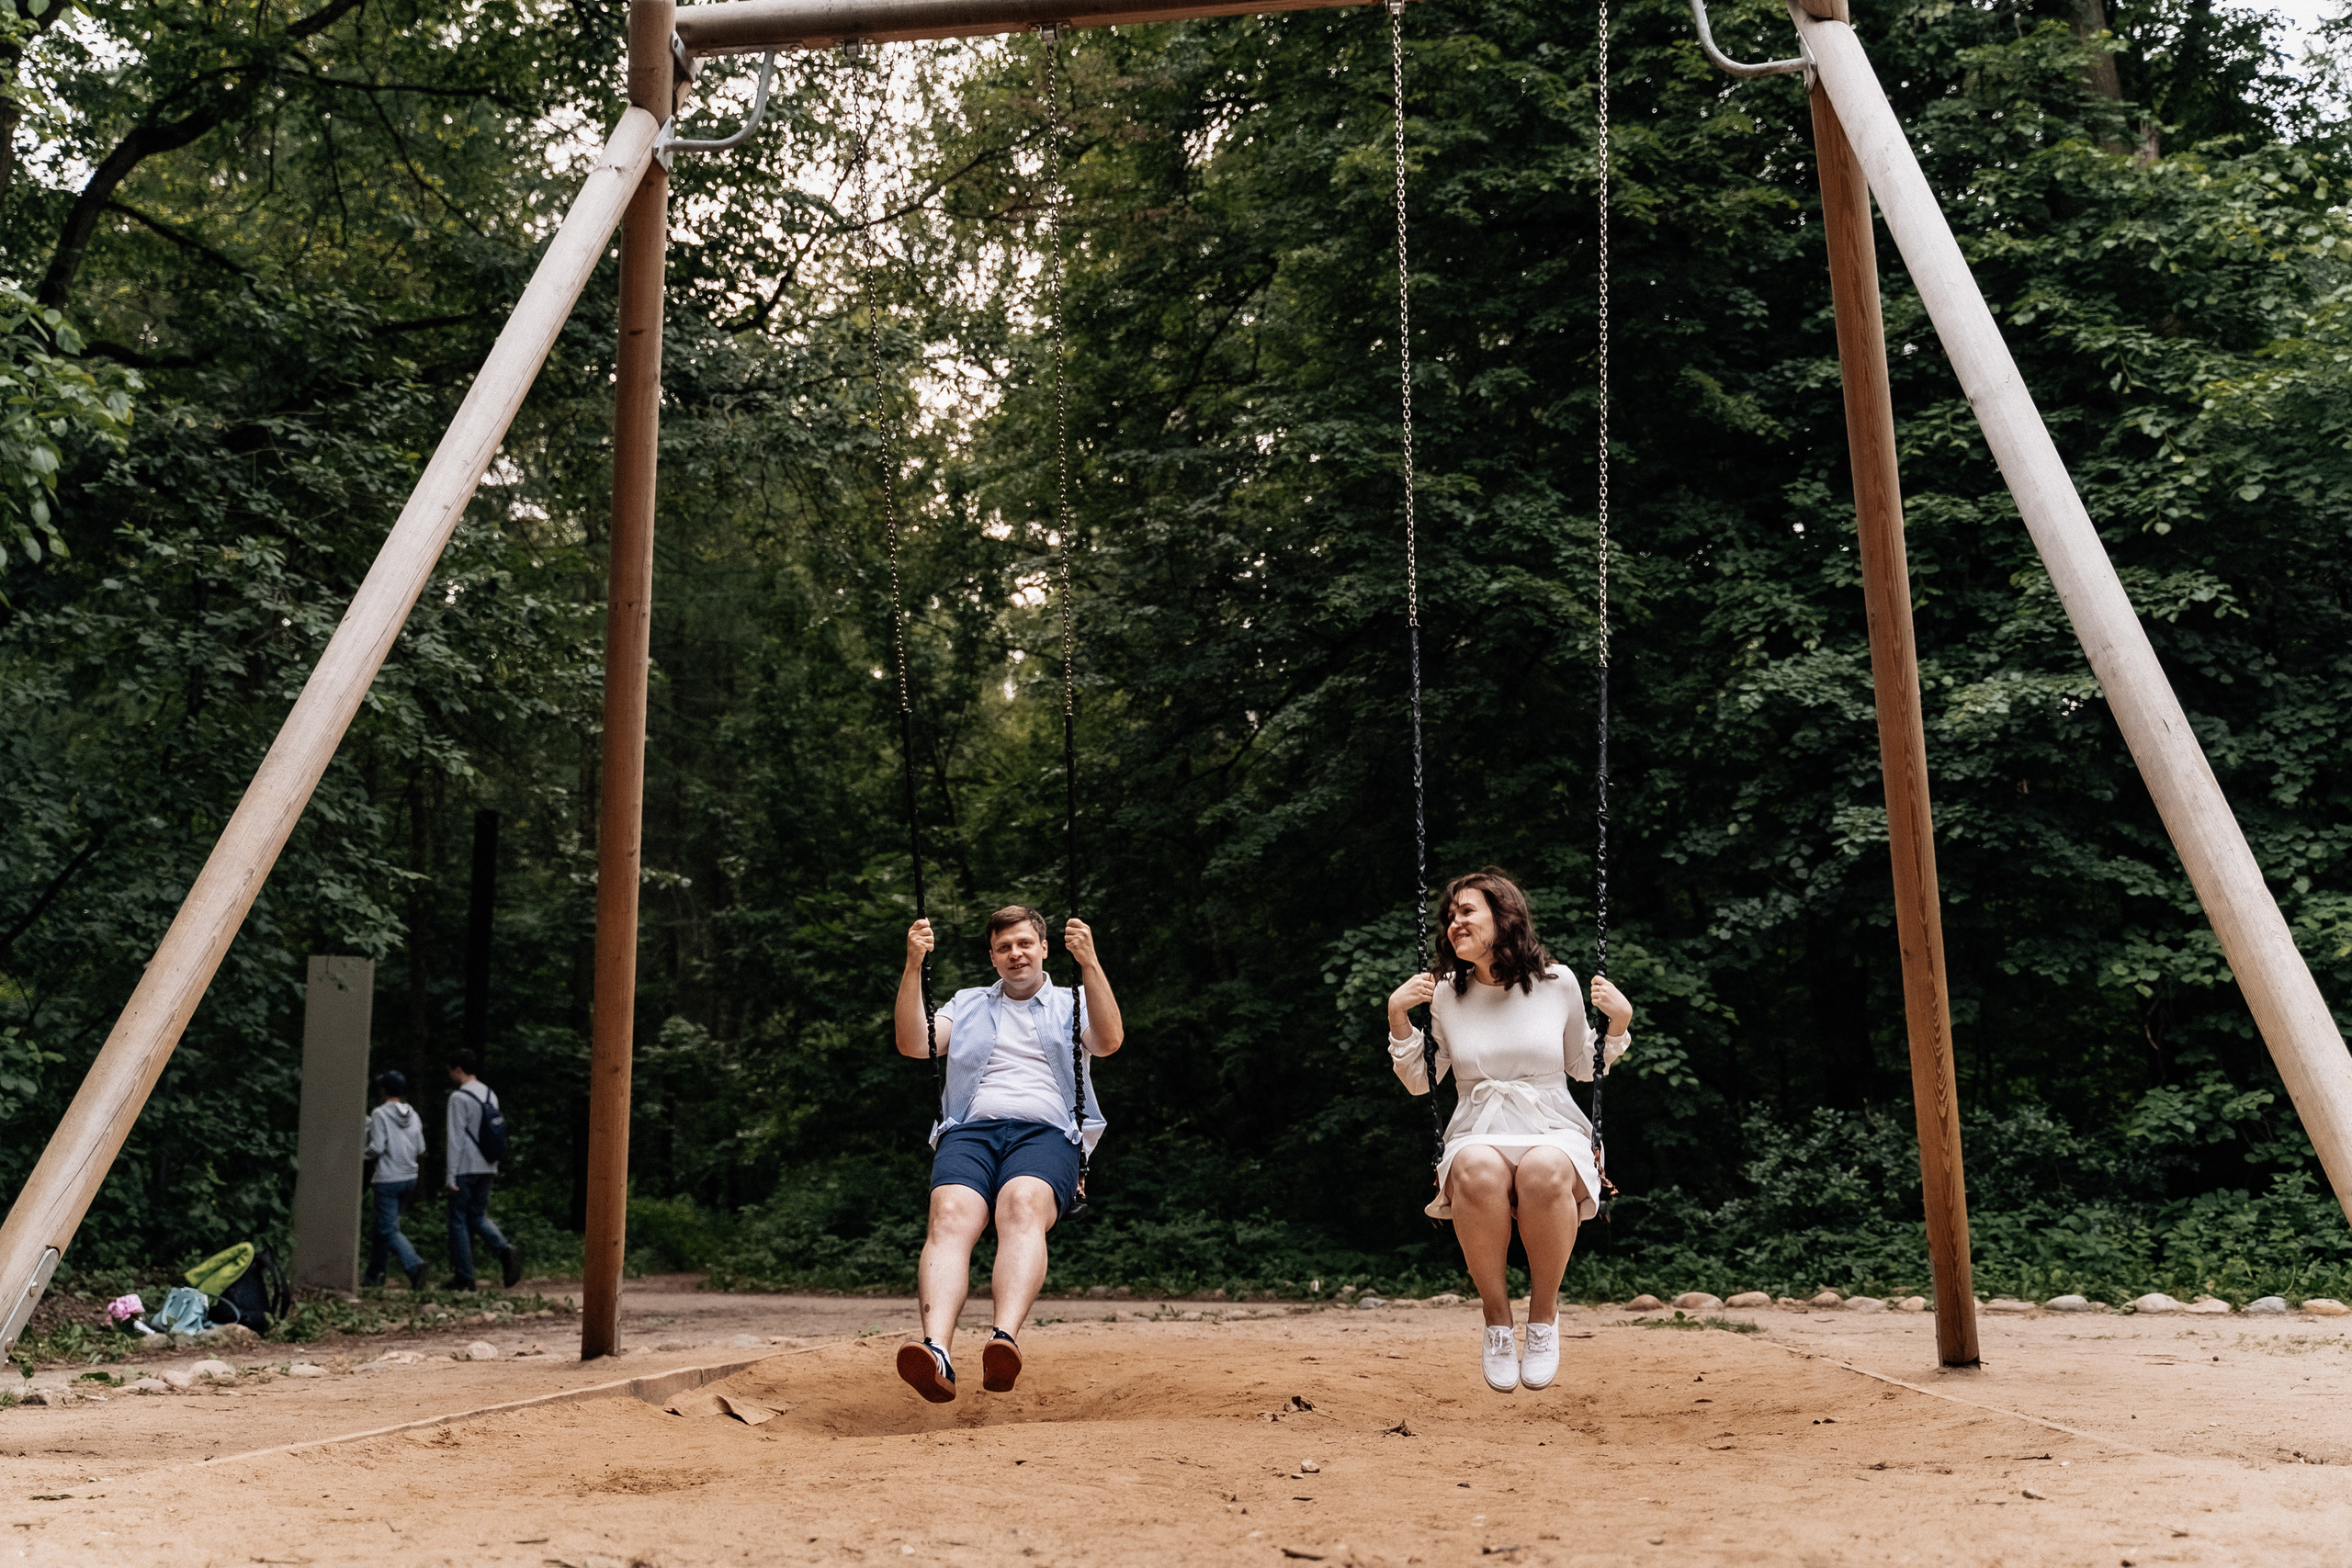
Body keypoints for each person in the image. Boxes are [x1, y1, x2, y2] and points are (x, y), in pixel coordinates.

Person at [1386, 869, 1633, 1394]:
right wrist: (1398, 1016)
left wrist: (1618, 1022)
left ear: (1504, 917)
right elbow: (1419, 1082)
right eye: (1450, 916)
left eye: (1467, 912)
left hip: (1551, 1122)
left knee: (1545, 1168)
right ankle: (1498, 1322)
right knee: (1475, 1168)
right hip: (1479, 1124)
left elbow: (1583, 1067)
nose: (1455, 923)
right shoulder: (1448, 994)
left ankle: (1542, 1319)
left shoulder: (1557, 983)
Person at [890, 905, 1124, 1403]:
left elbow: (1108, 1042)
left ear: (1043, 947)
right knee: (950, 1215)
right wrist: (913, 965)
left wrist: (1091, 962)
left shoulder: (1074, 1002)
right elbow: (914, 1044)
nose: (1015, 954)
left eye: (1024, 944)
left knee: (1020, 1205)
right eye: (1003, 947)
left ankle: (1003, 1340)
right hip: (970, 1132)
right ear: (992, 957)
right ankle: (937, 1353)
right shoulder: (968, 1002)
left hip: (1047, 1133)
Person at [444, 1049, 522, 1290]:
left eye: (451, 1070)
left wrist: (450, 1174)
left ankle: (465, 1278)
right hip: (488, 1165)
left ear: (458, 1069)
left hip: (465, 1166)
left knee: (457, 1220)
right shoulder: (490, 1094)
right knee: (477, 1216)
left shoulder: (459, 1098)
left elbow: (455, 1138)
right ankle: (505, 1250)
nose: (450, 1075)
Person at [362, 1071, 429, 1290]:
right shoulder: (414, 1114)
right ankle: (375, 1276)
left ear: (383, 1090)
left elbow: (378, 1147)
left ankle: (414, 1265)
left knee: (387, 1230)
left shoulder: (380, 1113)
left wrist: (360, 1154)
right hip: (410, 1177)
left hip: (389, 1179)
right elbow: (421, 1148)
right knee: (384, 1227)